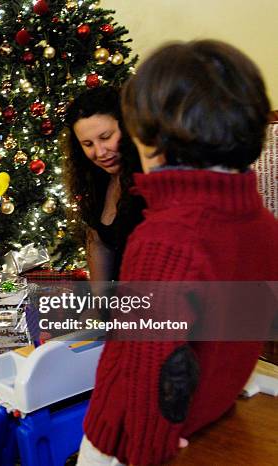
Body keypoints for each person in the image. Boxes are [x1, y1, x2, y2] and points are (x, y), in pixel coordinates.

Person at [77, 40, 278, 465]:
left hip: (123, 442)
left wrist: (147, 447)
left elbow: (150, 361)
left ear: (151, 137)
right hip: (210, 413)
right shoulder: (263, 225)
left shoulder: (165, 239)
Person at [62, 86, 144, 282]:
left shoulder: (148, 179)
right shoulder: (96, 179)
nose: (99, 153)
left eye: (106, 137)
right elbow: (98, 242)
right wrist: (99, 306)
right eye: (88, 144)